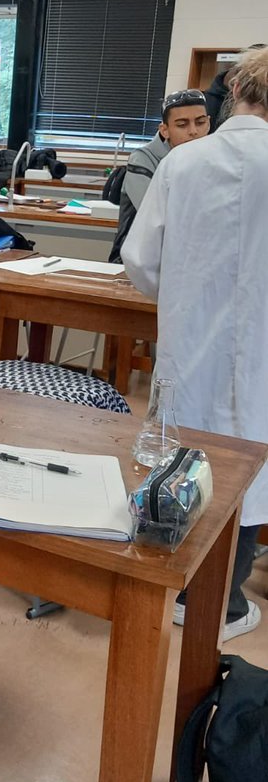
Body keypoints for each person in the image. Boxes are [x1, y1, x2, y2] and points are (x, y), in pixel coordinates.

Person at [123, 45, 268, 642]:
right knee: (252, 469)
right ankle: (226, 604)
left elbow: (141, 260)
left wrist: (185, 292)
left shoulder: (182, 164)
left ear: (235, 93)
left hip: (190, 343)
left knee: (186, 457)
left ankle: (180, 586)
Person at [109, 88, 210, 262]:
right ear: (164, 130)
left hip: (191, 261)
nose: (193, 131)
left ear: (209, 123)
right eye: (182, 125)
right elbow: (160, 220)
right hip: (138, 263)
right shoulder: (143, 159)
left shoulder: (214, 160)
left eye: (200, 122)